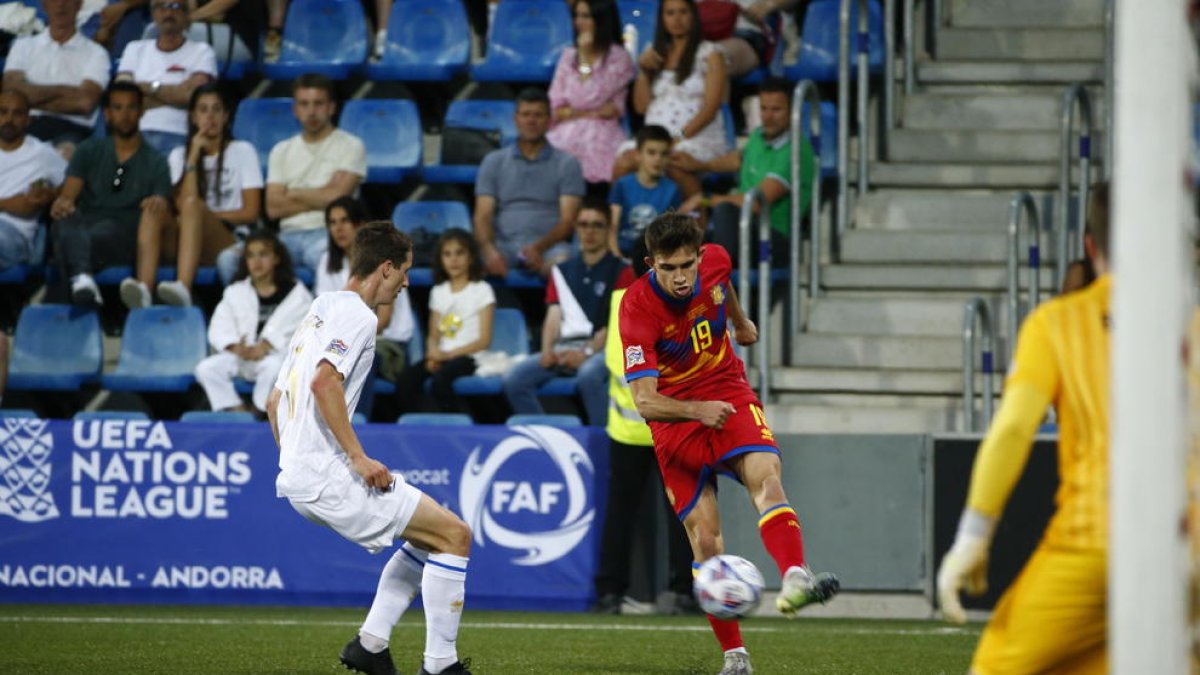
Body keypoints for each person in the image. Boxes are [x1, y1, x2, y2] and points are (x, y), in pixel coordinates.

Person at [618, 212, 839, 675]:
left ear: (700, 256)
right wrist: (696, 411)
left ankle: (796, 577)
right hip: (676, 419)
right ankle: (735, 657)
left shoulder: (716, 260)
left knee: (767, 480)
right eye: (667, 268)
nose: (680, 278)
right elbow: (644, 401)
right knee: (705, 540)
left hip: (726, 390)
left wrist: (738, 322)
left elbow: (722, 286)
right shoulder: (637, 309)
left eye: (686, 266)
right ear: (649, 263)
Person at [267, 223, 473, 675]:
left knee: (432, 539)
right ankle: (440, 665)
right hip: (327, 476)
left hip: (301, 478)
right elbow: (325, 382)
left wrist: (294, 460)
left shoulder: (321, 308)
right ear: (385, 267)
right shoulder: (360, 316)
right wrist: (357, 458)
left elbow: (274, 401)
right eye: (405, 271)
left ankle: (372, 645)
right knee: (455, 536)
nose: (406, 282)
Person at [936, 183, 1113, 675]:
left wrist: (973, 537)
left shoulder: (1059, 322)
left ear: (1090, 245)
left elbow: (1013, 429)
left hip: (1098, 538)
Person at [593, 239, 696, 615]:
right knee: (685, 512)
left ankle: (609, 592)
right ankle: (686, 591)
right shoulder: (677, 302)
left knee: (623, 512)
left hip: (630, 428)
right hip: (666, 426)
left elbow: (618, 363)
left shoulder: (619, 300)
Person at [119, 83, 263, 309]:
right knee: (153, 207)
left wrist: (205, 216)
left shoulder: (243, 151)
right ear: (193, 117)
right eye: (203, 110)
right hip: (184, 237)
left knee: (193, 206)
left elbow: (251, 212)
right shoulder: (179, 155)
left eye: (216, 110)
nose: (210, 117)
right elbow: (180, 203)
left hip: (226, 238)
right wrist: (193, 157)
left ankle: (183, 288)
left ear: (226, 116)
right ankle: (144, 289)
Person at [217, 72, 366, 285]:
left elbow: (337, 198)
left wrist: (293, 193)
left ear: (332, 107)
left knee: (329, 261)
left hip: (326, 235)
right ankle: (246, 316)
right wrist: (321, 193)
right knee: (228, 259)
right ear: (295, 110)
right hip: (286, 236)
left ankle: (326, 319)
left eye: (318, 104)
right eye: (304, 104)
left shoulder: (351, 146)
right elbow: (273, 207)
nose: (311, 111)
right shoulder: (281, 150)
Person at [502, 196, 631, 426]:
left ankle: (602, 441)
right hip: (565, 347)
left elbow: (616, 325)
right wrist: (547, 350)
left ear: (609, 228)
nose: (589, 231)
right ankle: (546, 437)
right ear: (576, 228)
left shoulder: (623, 271)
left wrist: (587, 352)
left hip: (603, 350)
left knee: (589, 375)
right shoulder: (560, 270)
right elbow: (553, 315)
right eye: (583, 224)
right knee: (515, 379)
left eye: (597, 225)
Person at [50, 81, 173, 306]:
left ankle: (77, 281)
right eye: (117, 108)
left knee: (81, 237)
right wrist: (62, 204)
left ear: (141, 111)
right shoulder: (88, 150)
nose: (125, 115)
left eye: (131, 108)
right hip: (84, 227)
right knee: (64, 220)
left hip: (123, 235)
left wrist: (158, 201)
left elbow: (161, 205)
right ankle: (82, 279)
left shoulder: (156, 162)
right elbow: (68, 197)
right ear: (107, 113)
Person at [679, 78, 815, 266]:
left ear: (793, 112)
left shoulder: (796, 152)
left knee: (726, 212)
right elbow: (738, 159)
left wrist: (704, 199)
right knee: (675, 232)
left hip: (775, 238)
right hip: (743, 231)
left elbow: (756, 204)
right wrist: (700, 165)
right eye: (764, 108)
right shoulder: (759, 135)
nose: (768, 116)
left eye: (776, 110)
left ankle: (717, 282)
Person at [612, 0, 729, 199]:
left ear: (693, 16)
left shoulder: (710, 53)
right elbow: (641, 108)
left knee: (673, 164)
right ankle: (620, 222)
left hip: (695, 137)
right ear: (662, 18)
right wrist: (643, 72)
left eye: (683, 12)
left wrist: (679, 137)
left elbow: (711, 107)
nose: (677, 19)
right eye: (670, 13)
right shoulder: (655, 53)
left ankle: (695, 224)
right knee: (624, 163)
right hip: (655, 137)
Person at [316, 196, 416, 418]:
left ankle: (355, 423)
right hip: (345, 337)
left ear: (359, 225)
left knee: (362, 356)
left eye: (345, 221)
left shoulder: (387, 262)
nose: (338, 228)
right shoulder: (327, 263)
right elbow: (328, 313)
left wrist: (348, 338)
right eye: (332, 222)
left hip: (389, 344)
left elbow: (383, 321)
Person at [196, 229, 312, 415]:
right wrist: (235, 347)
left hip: (275, 356)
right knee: (206, 368)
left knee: (274, 368)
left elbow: (302, 330)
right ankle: (239, 412)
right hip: (242, 355)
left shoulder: (297, 293)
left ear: (276, 258)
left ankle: (260, 412)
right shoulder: (235, 291)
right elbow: (219, 326)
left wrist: (266, 345)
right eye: (251, 256)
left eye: (263, 255)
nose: (256, 262)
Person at [474, 87, 585, 278]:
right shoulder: (493, 161)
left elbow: (568, 221)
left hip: (550, 248)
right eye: (525, 114)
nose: (531, 120)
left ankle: (554, 308)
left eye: (538, 115)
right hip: (503, 246)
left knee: (564, 264)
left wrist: (538, 248)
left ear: (549, 120)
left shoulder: (567, 163)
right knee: (466, 261)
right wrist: (489, 251)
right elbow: (482, 215)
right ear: (515, 119)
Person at [395, 228, 495, 415]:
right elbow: (433, 334)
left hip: (471, 357)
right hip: (442, 356)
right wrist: (433, 354)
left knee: (441, 381)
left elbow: (484, 341)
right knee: (406, 381)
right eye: (447, 254)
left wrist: (446, 357)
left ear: (471, 257)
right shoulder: (438, 291)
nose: (453, 259)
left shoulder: (482, 289)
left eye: (459, 253)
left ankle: (454, 432)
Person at [2, 0, 111, 157]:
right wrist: (63, 91)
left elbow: (85, 103)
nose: (61, 5)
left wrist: (29, 97)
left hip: (71, 130)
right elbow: (11, 93)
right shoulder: (22, 46)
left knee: (64, 156)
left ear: (78, 5)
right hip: (23, 124)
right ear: (45, 5)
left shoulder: (96, 53)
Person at [546, 0, 633, 192]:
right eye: (576, 16)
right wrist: (587, 111)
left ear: (601, 20)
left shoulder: (619, 57)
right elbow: (554, 106)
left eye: (585, 16)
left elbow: (586, 97)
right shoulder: (568, 56)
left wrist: (585, 59)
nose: (578, 22)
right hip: (564, 131)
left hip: (601, 134)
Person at [115, 0, 217, 154]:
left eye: (176, 7)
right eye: (161, 7)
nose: (168, 13)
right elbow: (122, 97)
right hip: (134, 134)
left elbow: (193, 97)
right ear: (153, 14)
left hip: (180, 137)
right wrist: (175, 96)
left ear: (186, 15)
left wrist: (147, 89)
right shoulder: (135, 49)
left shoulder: (202, 51)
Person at [0, 91, 67, 272]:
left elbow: (70, 183)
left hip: (14, 235)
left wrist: (51, 195)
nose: (9, 119)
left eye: (17, 113)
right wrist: (7, 204)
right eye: (3, 112)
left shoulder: (42, 153)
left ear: (28, 120)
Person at [608, 124, 682, 260]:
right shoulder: (622, 185)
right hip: (621, 254)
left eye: (664, 154)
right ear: (638, 154)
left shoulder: (673, 190)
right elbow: (613, 226)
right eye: (651, 152)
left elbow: (670, 234)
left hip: (653, 259)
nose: (658, 159)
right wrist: (616, 256)